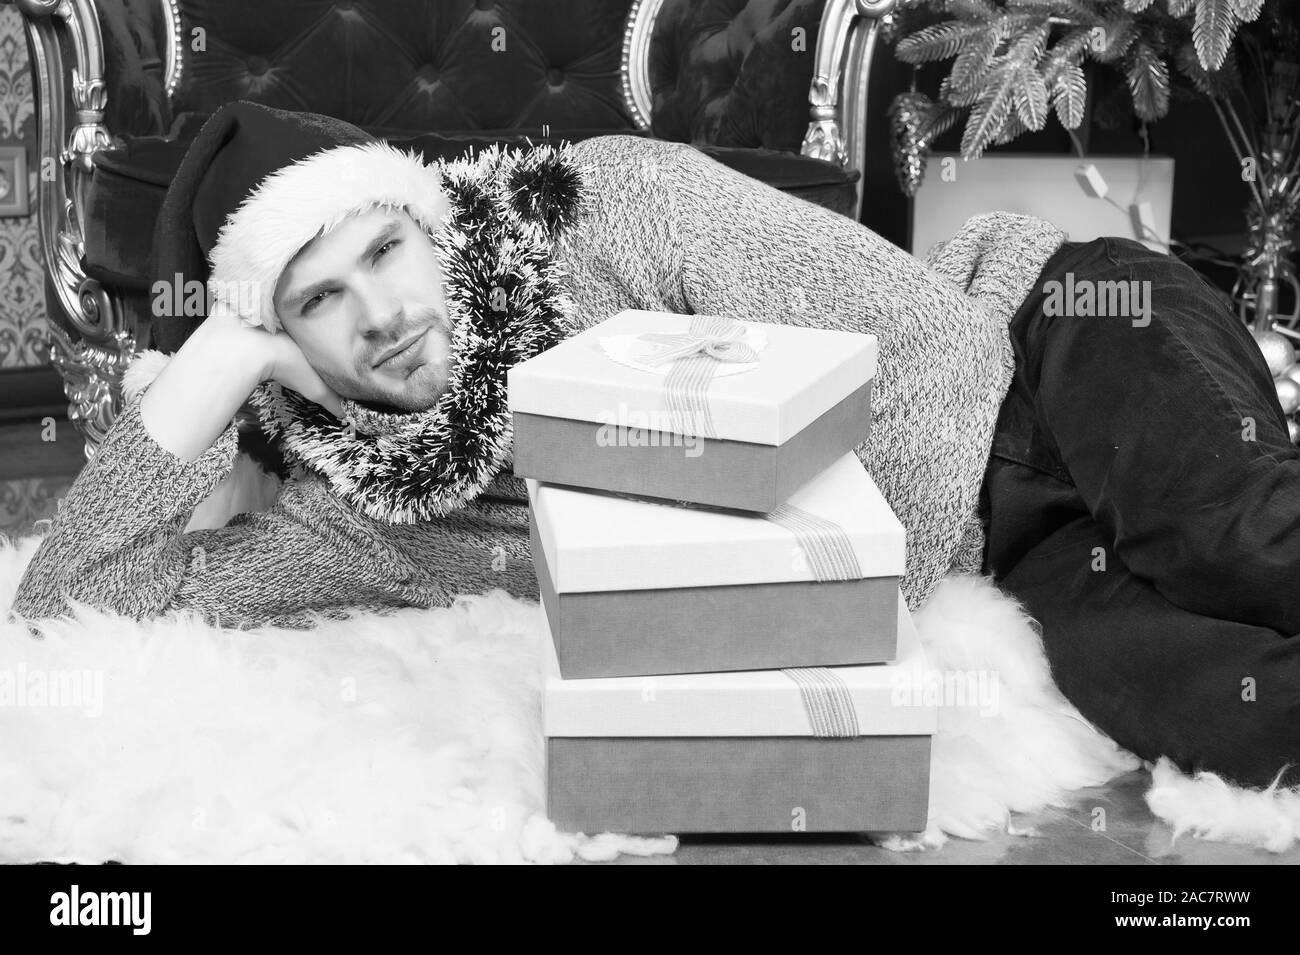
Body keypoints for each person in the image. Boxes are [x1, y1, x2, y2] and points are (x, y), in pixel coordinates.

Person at [9, 102, 1298, 791]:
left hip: (1049, 336)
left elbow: (934, 347)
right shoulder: (364, 517)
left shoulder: (611, 200)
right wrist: (212, 370)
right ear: (283, 347)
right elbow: (82, 608)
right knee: (1186, 693)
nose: (384, 315)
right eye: (315, 301)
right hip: (1001, 550)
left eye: (384, 251)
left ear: (431, 219)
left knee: (1230, 537)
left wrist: (835, 611)